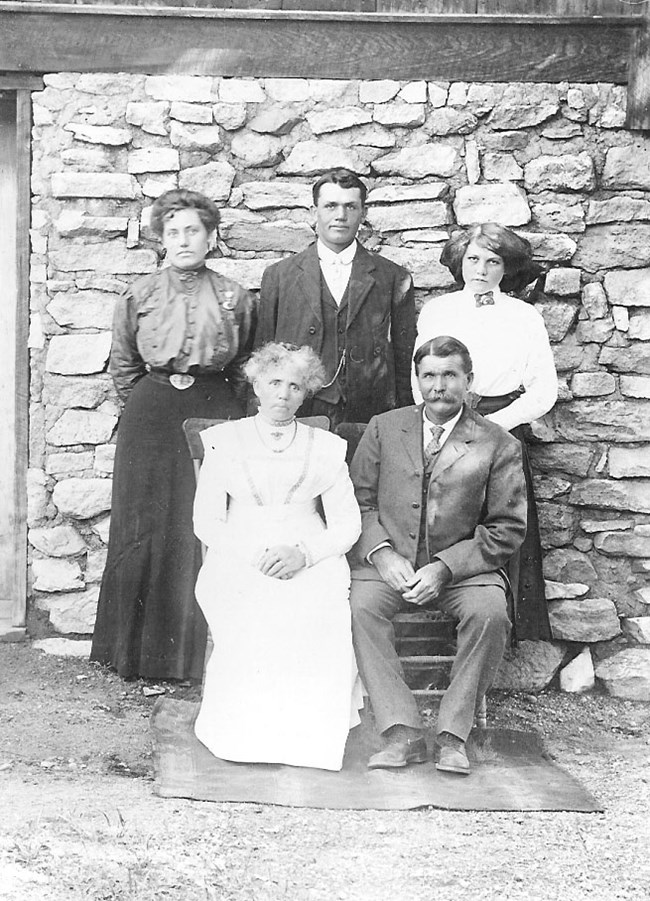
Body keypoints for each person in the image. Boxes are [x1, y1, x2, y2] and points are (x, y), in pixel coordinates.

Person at [91, 189, 256, 681]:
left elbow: (247, 362)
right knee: (144, 523)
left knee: (200, 523)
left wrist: (228, 411)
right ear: (162, 239)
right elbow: (124, 364)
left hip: (213, 408)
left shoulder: (235, 297)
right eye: (173, 232)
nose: (184, 240)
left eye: (194, 231)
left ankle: (196, 659)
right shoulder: (139, 294)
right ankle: (133, 656)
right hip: (152, 411)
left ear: (210, 237)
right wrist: (149, 402)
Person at [349, 336, 527, 775]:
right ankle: (401, 732)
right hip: (390, 565)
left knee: (489, 613)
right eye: (428, 375)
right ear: (416, 380)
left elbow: (508, 527)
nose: (439, 386)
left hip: (464, 570)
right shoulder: (384, 427)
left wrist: (446, 567)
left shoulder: (497, 442)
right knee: (359, 608)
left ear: (469, 380)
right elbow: (357, 501)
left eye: (450, 375)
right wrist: (383, 553)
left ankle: (452, 736)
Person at [193, 342, 363, 771]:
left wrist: (304, 554)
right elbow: (207, 523)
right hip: (240, 548)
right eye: (273, 383)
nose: (283, 395)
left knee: (315, 599)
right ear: (255, 384)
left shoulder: (325, 446)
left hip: (309, 548)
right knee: (249, 601)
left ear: (306, 393)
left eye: (294, 386)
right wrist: (254, 553)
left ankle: (305, 735)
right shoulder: (223, 442)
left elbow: (347, 525)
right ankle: (243, 731)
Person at [413, 223, 558, 641]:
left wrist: (491, 428)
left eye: (492, 261)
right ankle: (442, 625)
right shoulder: (438, 311)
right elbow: (418, 375)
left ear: (506, 268)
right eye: (473, 259)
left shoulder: (523, 316)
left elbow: (543, 390)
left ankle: (503, 632)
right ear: (459, 261)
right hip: (443, 420)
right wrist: (441, 422)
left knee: (500, 525)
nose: (480, 269)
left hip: (501, 426)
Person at [253, 168, 416, 427]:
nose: (340, 216)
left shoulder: (392, 277)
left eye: (350, 206)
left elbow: (403, 358)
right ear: (314, 211)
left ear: (363, 213)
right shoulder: (279, 277)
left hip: (369, 414)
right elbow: (263, 357)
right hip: (299, 410)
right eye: (330, 206)